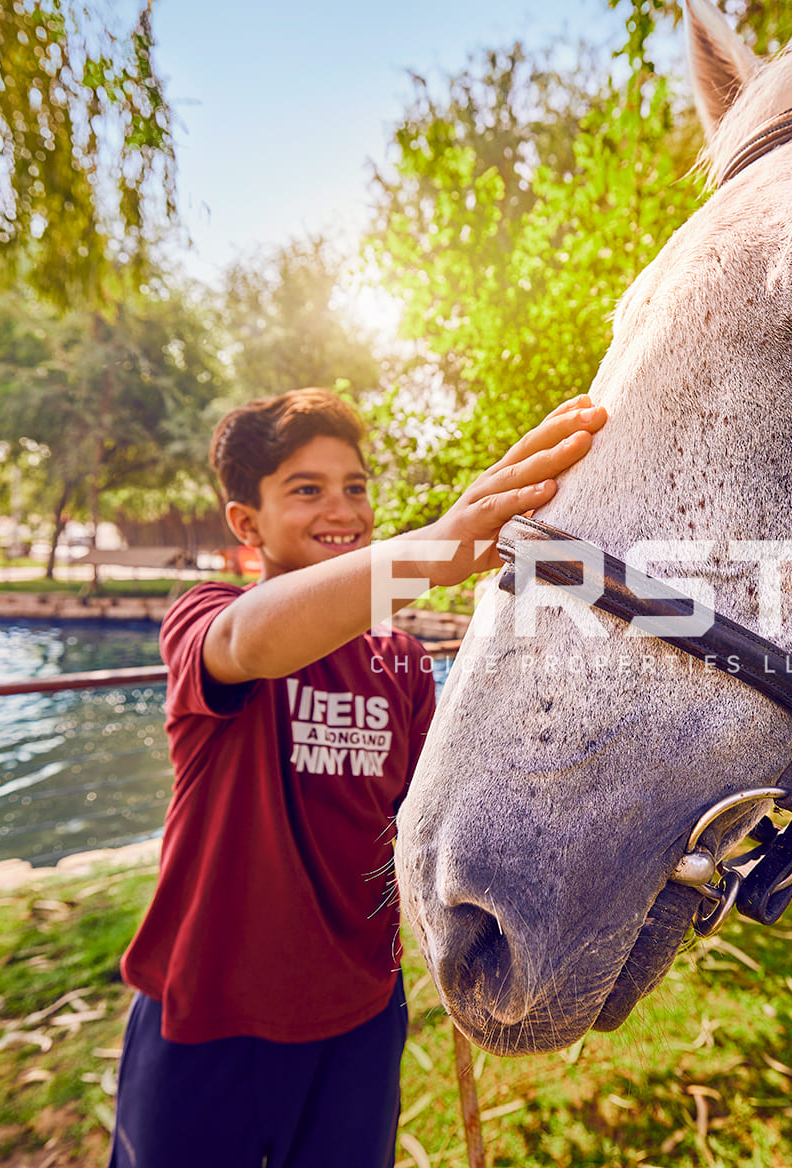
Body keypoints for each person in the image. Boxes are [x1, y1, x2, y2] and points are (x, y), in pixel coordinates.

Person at [109, 387, 605, 1168]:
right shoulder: (207, 617)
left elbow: (425, 820)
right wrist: (434, 551)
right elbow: (248, 639)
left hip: (359, 1020)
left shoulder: (399, 664)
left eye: (355, 487)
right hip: (206, 1019)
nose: (341, 508)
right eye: (305, 490)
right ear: (248, 523)